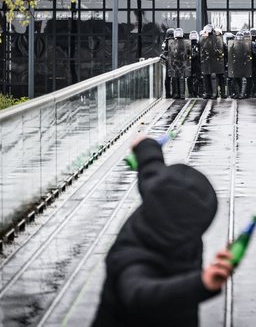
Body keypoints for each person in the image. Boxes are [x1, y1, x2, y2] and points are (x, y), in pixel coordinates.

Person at [92, 137, 233, 327]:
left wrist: (145, 146)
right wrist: (201, 283)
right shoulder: (133, 259)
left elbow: (151, 169)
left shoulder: (157, 203)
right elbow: (139, 295)